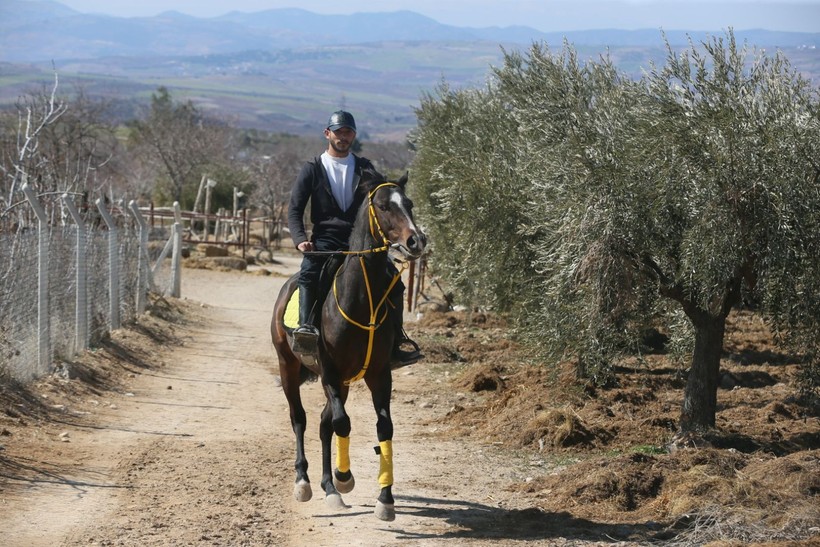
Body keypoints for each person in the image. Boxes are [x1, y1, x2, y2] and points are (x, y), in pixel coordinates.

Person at [287, 110, 422, 365]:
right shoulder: (312, 169)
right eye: (338, 132)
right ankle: (306, 329)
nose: (343, 137)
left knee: (394, 280)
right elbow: (294, 209)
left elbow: (381, 201)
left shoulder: (365, 168)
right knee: (308, 274)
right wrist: (299, 239)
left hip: (361, 242)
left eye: (348, 132)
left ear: (354, 135)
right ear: (328, 133)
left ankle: (397, 340)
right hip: (324, 241)